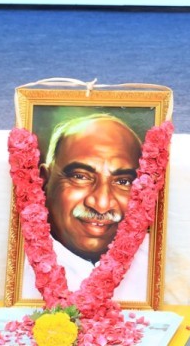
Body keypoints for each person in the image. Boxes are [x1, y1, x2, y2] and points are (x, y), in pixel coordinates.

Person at [21, 113, 150, 301]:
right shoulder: (18, 267)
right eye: (80, 177)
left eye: (123, 181)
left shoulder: (154, 264)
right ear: (43, 181)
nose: (102, 204)